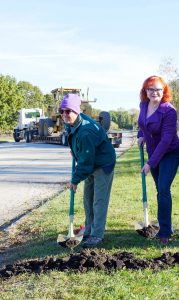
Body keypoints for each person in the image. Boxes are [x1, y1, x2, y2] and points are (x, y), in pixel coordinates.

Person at [59, 93, 116, 248]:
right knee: (87, 199)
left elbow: (86, 163)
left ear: (77, 111)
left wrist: (75, 180)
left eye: (68, 111)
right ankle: (89, 230)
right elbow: (75, 140)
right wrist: (76, 150)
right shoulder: (70, 122)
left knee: (99, 200)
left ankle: (97, 235)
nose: (64, 114)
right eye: (62, 111)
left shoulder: (86, 131)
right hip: (90, 160)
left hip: (103, 163)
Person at [137, 75, 179, 246]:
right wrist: (141, 135)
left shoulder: (169, 110)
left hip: (170, 152)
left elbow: (166, 139)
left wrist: (150, 163)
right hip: (153, 152)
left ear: (164, 90)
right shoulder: (144, 105)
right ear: (146, 91)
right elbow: (142, 124)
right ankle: (164, 224)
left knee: (164, 189)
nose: (154, 92)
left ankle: (165, 231)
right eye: (151, 89)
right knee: (160, 190)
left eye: (158, 89)